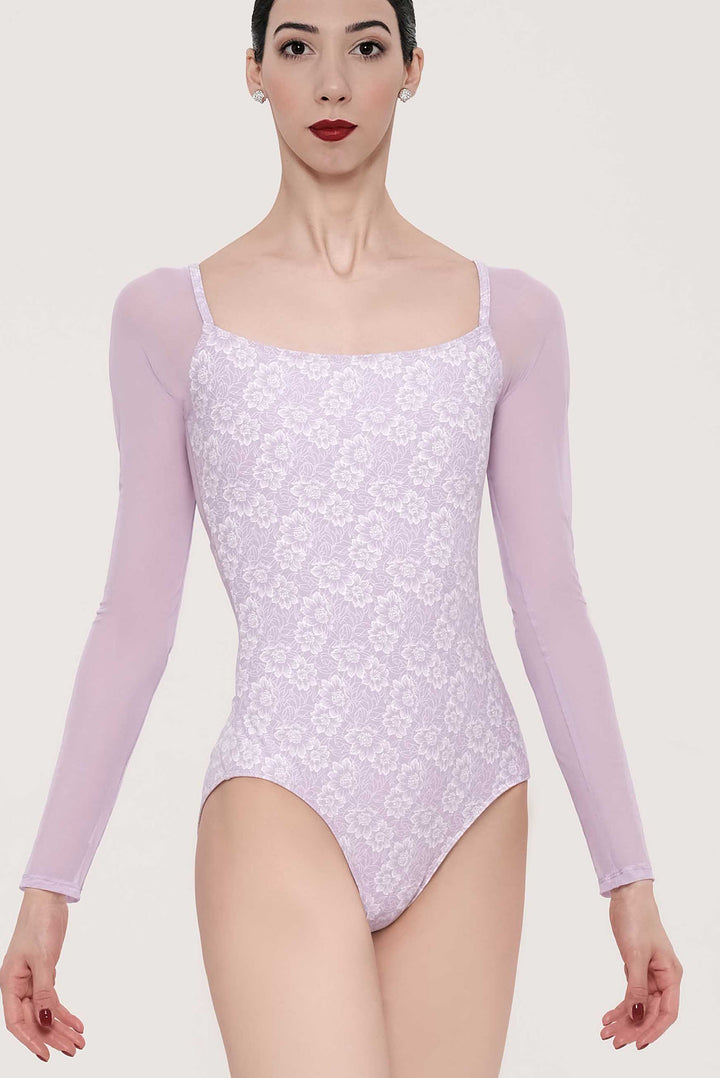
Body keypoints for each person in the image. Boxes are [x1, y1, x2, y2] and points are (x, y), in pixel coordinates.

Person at [1, 1, 682, 1074]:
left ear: (413, 68)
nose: (331, 82)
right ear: (253, 70)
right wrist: (50, 889)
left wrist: (629, 880)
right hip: (282, 787)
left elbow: (552, 606)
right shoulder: (172, 322)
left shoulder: (510, 319)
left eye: (366, 46)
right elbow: (134, 618)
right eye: (296, 47)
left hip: (471, 798)